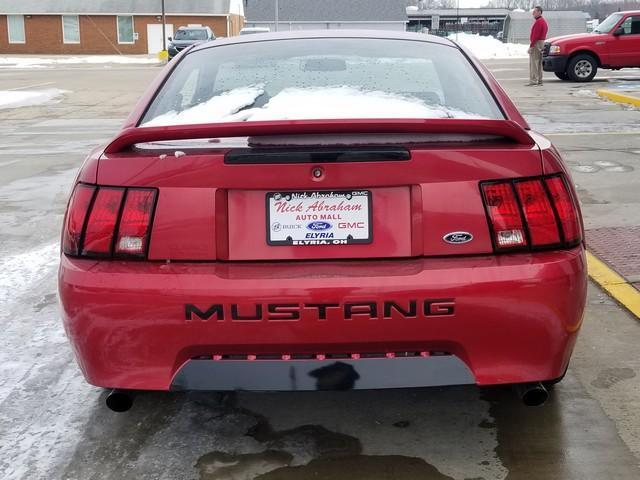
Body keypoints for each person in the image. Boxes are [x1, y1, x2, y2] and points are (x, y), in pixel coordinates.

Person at [527, 6, 548, 86]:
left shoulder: (539, 22)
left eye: (535, 11)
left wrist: (531, 46)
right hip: (541, 43)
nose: (533, 13)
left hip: (537, 43)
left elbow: (535, 35)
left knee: (534, 63)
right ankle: (539, 80)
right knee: (539, 63)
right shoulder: (543, 21)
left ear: (539, 12)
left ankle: (533, 81)